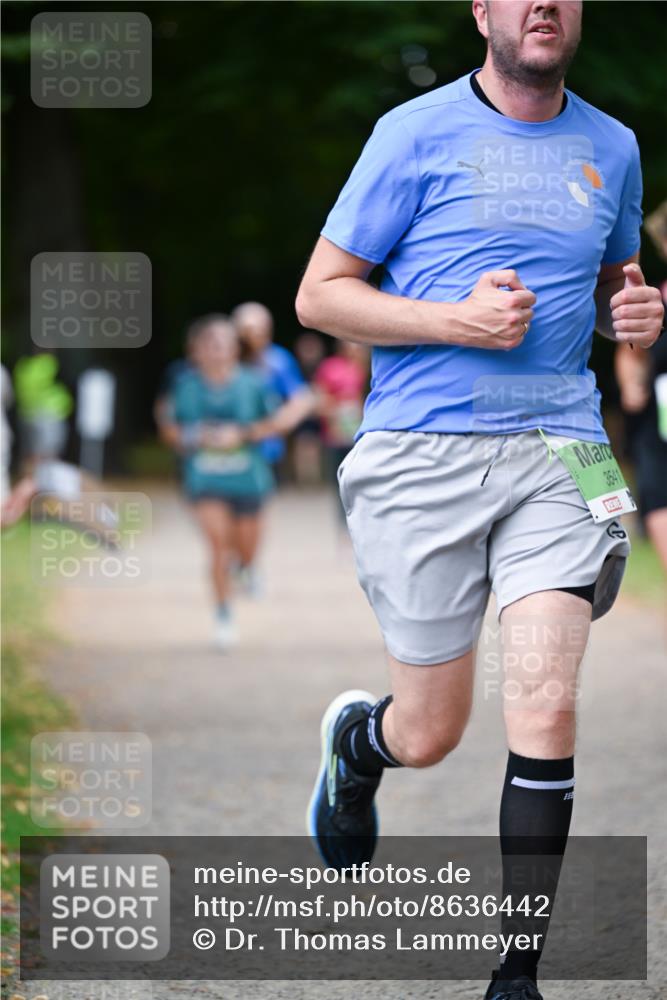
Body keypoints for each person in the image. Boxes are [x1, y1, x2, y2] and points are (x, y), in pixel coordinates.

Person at [296, 3, 664, 999]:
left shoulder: (613, 145)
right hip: (421, 454)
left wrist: (629, 306)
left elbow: (611, 281)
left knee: (545, 695)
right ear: (482, 11)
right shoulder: (409, 135)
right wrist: (451, 321)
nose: (543, 4)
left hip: (565, 449)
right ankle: (361, 745)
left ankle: (516, 972)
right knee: (431, 730)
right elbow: (320, 296)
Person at [161, 314, 281, 648]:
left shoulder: (253, 382)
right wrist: (192, 436)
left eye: (223, 344)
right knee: (217, 546)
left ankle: (247, 568)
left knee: (245, 550)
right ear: (195, 350)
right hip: (204, 479)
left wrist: (241, 434)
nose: (216, 351)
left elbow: (274, 422)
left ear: (234, 350)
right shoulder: (184, 385)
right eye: (209, 345)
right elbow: (169, 428)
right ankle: (224, 614)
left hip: (250, 479)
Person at [232, 301, 314, 475]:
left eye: (258, 330)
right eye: (246, 331)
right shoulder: (224, 361)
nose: (251, 338)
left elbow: (302, 400)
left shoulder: (277, 361)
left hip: (265, 452)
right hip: (225, 451)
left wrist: (269, 427)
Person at [313, 340, 369, 524]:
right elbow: (320, 397)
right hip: (335, 433)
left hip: (358, 433)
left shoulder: (364, 368)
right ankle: (343, 520)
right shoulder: (330, 367)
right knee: (339, 479)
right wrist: (336, 412)